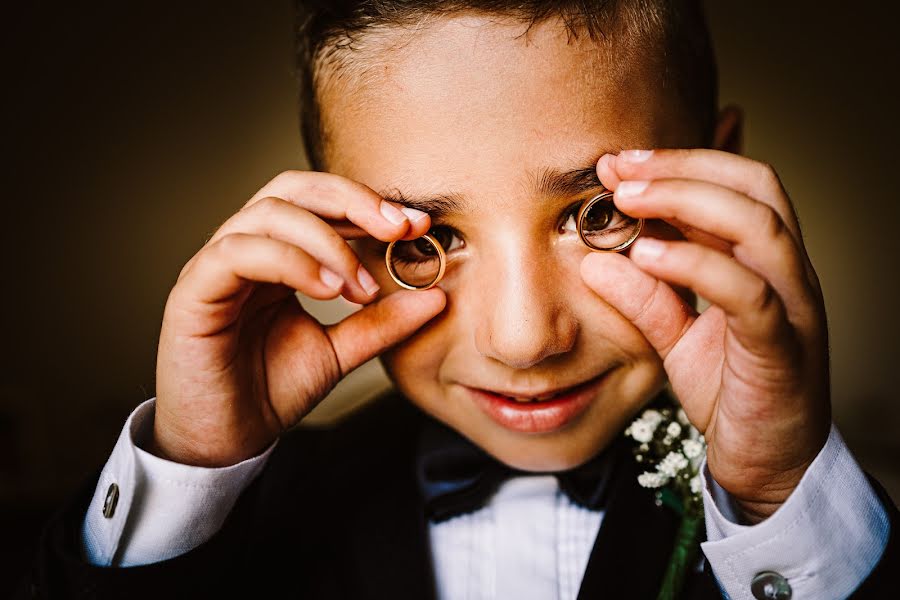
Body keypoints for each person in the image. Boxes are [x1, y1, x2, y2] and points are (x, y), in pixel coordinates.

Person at [18, 1, 897, 598]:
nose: (523, 339)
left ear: (722, 174)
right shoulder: (257, 518)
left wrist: (781, 492)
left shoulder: (793, 510)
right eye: (426, 239)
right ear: (335, 224)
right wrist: (191, 460)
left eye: (596, 213)